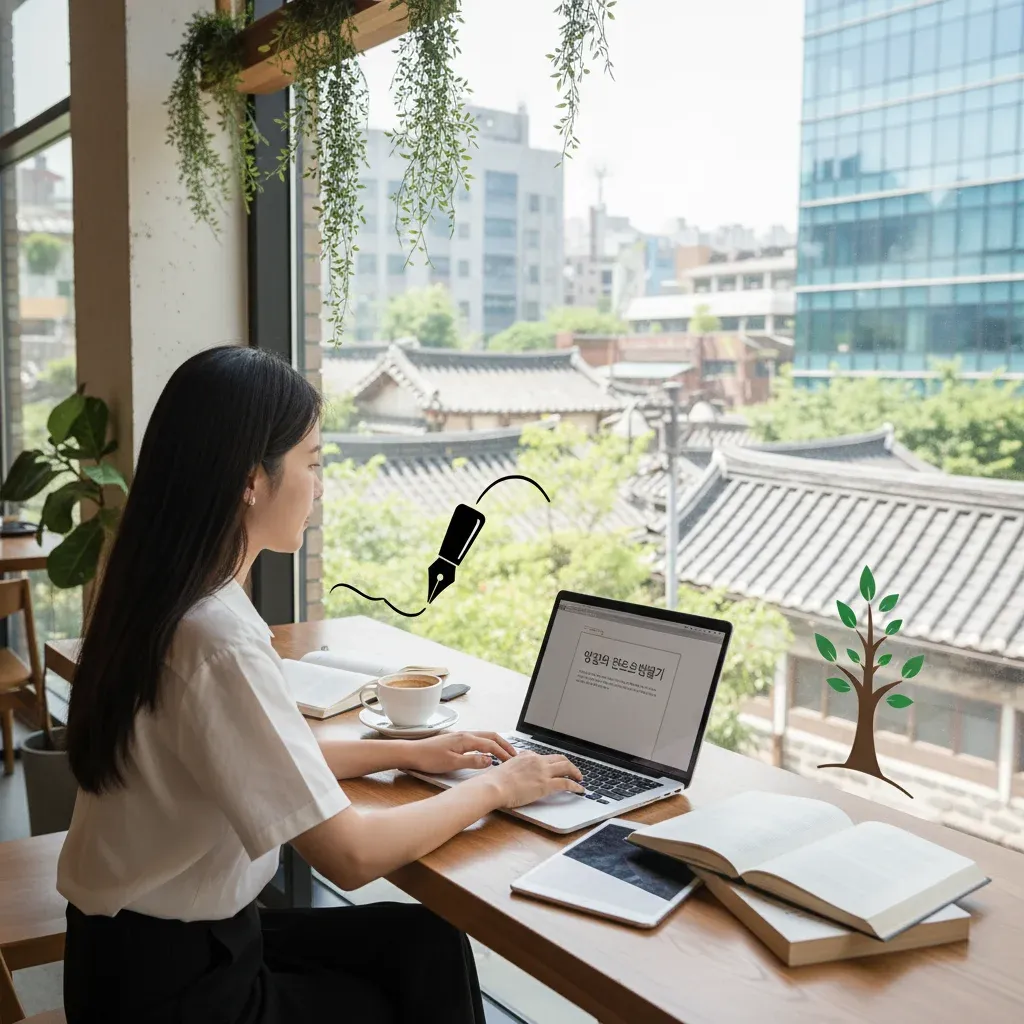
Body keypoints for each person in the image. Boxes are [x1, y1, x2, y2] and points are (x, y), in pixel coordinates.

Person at [57, 346, 584, 1023]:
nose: (320, 486)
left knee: (421, 944)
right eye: (312, 462)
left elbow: (257, 758)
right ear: (252, 479)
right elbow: (351, 855)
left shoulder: (163, 597)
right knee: (410, 981)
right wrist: (500, 787)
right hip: (178, 991)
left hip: (128, 955)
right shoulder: (217, 637)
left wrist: (408, 751)